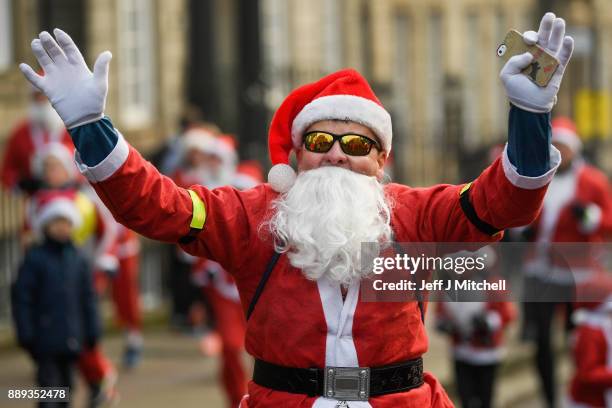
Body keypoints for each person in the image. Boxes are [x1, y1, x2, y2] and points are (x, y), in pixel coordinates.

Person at [20, 13, 572, 407]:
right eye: (321, 140)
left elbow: (506, 201)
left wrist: (528, 114)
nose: (336, 153)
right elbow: (156, 207)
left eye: (356, 145)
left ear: (382, 159)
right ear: (296, 154)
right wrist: (91, 129)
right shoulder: (249, 216)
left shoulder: (416, 215)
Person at [519, 117, 612, 408]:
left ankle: (580, 391)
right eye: (555, 145)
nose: (560, 150)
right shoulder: (537, 176)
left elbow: (608, 223)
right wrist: (521, 229)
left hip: (578, 276)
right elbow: (518, 215)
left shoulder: (593, 181)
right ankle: (549, 399)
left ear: (575, 149)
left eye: (564, 146)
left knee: (579, 339)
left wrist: (590, 217)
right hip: (541, 273)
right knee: (541, 343)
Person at [11, 191, 99, 408]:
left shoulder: (79, 259)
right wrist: (26, 333)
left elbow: (88, 298)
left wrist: (92, 330)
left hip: (72, 339)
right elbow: (22, 299)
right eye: (56, 222)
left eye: (66, 223)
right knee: (51, 391)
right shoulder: (35, 259)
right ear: (46, 225)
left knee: (67, 389)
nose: (62, 228)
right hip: (45, 339)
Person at [1, 87, 72, 194]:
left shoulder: (72, 129)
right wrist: (21, 184)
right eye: (37, 97)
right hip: (35, 200)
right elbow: (7, 172)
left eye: (45, 96)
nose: (41, 101)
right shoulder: (20, 133)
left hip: (73, 198)